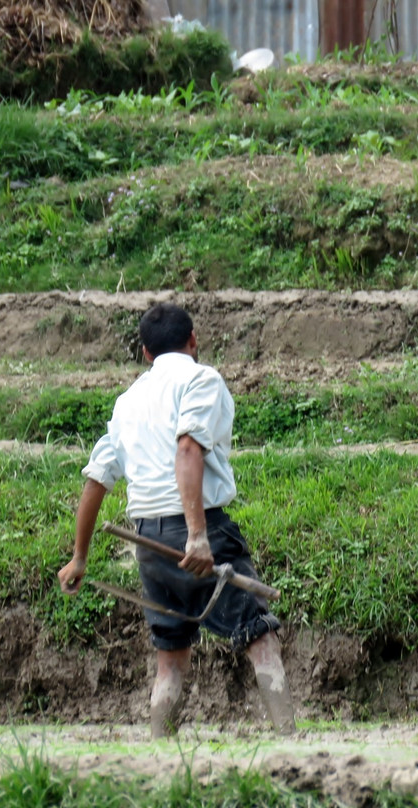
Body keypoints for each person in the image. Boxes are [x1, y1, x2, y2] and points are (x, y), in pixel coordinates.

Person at [58, 303, 296, 737]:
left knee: (170, 656)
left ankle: (159, 752)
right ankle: (290, 739)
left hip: (147, 541)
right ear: (193, 340)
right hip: (197, 529)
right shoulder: (200, 378)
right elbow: (188, 448)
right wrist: (198, 536)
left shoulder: (129, 400)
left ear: (146, 353)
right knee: (258, 636)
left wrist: (79, 557)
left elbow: (97, 479)